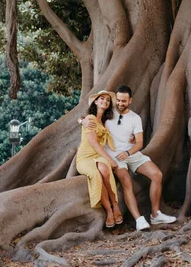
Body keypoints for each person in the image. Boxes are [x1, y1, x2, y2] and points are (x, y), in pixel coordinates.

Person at [84, 85, 177, 231]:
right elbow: (90, 118)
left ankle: (155, 214)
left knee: (157, 175)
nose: (120, 103)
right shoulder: (108, 113)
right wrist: (80, 120)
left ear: (130, 100)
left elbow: (139, 143)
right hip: (114, 155)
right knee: (126, 181)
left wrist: (128, 152)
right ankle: (139, 219)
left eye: (124, 101)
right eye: (119, 100)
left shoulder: (135, 118)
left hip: (131, 153)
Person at [76, 90, 123, 228]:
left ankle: (116, 205)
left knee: (105, 170)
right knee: (96, 175)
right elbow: (94, 144)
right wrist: (111, 160)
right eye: (102, 99)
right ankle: (109, 211)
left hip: (97, 156)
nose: (105, 101)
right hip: (85, 157)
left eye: (108, 100)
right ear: (96, 102)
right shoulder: (89, 119)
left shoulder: (103, 122)